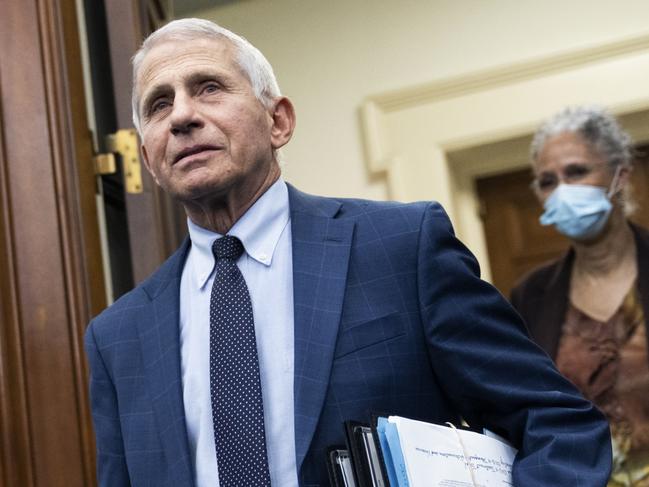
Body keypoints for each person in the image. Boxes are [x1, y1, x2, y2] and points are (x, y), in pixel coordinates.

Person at [84, 18, 611, 487]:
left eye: (208, 88)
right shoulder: (117, 338)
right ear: (150, 160)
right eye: (159, 104)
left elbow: (559, 425)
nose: (181, 116)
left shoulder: (403, 247)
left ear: (279, 122)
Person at [511, 105, 649, 485]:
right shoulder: (530, 296)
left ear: (620, 176)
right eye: (548, 181)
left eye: (577, 172)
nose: (562, 192)